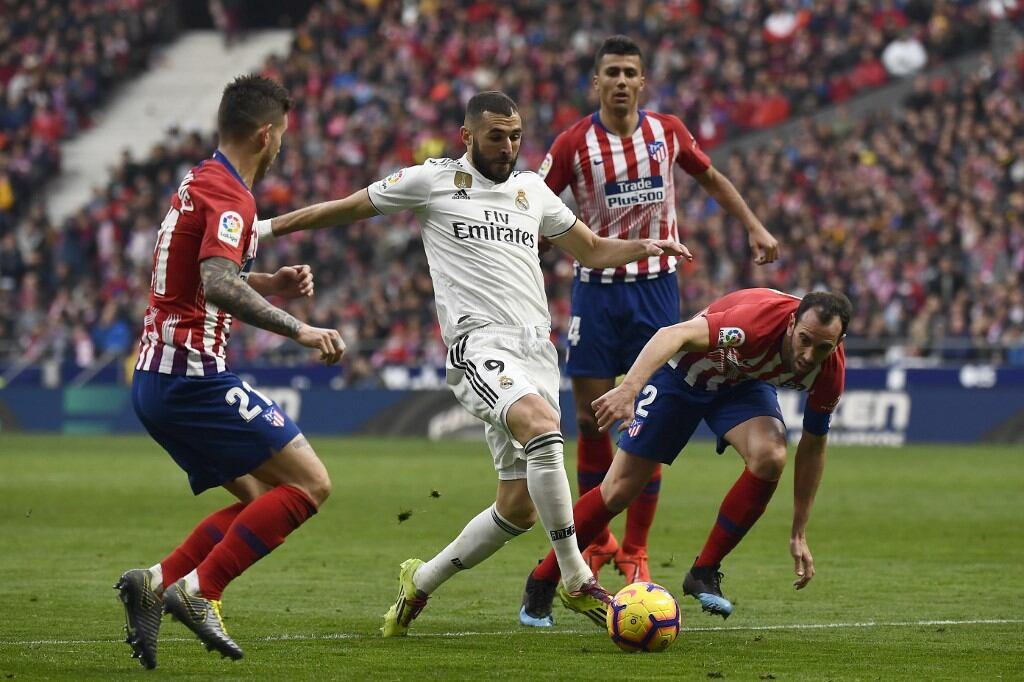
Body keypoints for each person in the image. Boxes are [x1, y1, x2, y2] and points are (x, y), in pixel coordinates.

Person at [257, 90, 692, 635]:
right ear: (467, 136)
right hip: (478, 346)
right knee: (543, 427)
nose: (508, 146)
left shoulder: (532, 190)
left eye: (515, 135)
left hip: (536, 351)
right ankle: (577, 577)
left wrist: (646, 248)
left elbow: (592, 249)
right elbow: (343, 209)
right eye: (496, 136)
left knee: (516, 509)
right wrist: (264, 230)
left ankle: (419, 582)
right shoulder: (430, 180)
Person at [115, 74, 346, 669]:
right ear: (265, 134)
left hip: (159, 376)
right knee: (310, 484)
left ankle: (157, 580)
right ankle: (200, 591)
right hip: (190, 377)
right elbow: (216, 283)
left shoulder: (200, 178)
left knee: (265, 499)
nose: (281, 150)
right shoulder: (232, 196)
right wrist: (300, 330)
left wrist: (267, 283)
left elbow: (198, 275)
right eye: (282, 139)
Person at [536, 35, 779, 593]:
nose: (621, 81)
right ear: (595, 82)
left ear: (643, 82)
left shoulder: (666, 132)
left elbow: (712, 178)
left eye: (630, 73)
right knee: (594, 419)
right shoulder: (573, 143)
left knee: (653, 420)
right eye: (611, 73)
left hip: (656, 295)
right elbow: (536, 211)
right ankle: (596, 542)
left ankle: (637, 549)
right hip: (596, 293)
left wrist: (754, 225)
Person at [520, 288, 850, 624]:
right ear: (792, 323)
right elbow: (673, 334)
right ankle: (543, 580)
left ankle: (704, 571)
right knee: (618, 490)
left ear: (839, 342)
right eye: (805, 340)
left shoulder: (830, 372)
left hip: (741, 385)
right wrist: (629, 388)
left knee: (771, 455)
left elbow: (813, 446)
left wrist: (798, 531)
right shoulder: (753, 325)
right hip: (683, 377)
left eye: (823, 347)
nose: (809, 355)